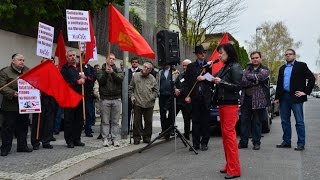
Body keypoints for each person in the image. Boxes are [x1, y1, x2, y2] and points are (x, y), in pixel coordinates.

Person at [275, 49, 315, 151]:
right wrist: (277, 98)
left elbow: (311, 78)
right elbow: (279, 84)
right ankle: (286, 142)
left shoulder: (301, 66)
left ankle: (301, 143)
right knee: (284, 121)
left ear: (294, 55)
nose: (288, 56)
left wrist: (305, 92)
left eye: (290, 54)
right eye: (286, 54)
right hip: (284, 97)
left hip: (296, 97)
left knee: (299, 121)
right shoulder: (282, 68)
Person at [212, 43, 242, 179]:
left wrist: (221, 82)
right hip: (223, 104)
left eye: (221, 53)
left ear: (229, 53)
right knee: (225, 138)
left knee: (229, 137)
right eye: (219, 53)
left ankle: (235, 169)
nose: (219, 55)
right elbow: (214, 78)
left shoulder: (235, 67)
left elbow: (237, 87)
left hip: (230, 105)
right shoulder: (225, 67)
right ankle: (229, 165)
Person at [0, 53, 32, 156]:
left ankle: (22, 146)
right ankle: (5, 148)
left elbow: (33, 82)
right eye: (19, 60)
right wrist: (13, 93)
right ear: (13, 61)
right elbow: (2, 87)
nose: (22, 62)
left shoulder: (28, 71)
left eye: (23, 60)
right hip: (10, 105)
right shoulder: (5, 72)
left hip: (25, 104)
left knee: (23, 126)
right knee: (8, 127)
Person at [238, 51, 270, 150]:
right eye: (253, 58)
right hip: (246, 99)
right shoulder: (247, 69)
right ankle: (243, 142)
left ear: (260, 58)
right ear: (250, 59)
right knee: (244, 121)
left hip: (258, 100)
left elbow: (261, 77)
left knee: (257, 122)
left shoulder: (265, 69)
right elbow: (242, 81)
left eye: (256, 57)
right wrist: (254, 80)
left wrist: (250, 77)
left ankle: (256, 143)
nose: (255, 59)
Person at [184, 45, 212, 151]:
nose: (203, 54)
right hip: (194, 97)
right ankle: (195, 143)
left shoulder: (208, 65)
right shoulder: (191, 66)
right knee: (195, 122)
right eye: (200, 53)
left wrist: (203, 77)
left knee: (205, 122)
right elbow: (187, 83)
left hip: (205, 98)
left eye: (204, 53)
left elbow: (211, 79)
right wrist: (187, 95)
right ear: (196, 54)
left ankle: (204, 143)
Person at [129, 62, 159, 145]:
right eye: (144, 67)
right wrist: (132, 97)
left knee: (148, 121)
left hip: (149, 104)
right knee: (137, 122)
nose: (145, 69)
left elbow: (156, 91)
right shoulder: (136, 76)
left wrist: (152, 97)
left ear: (150, 70)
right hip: (138, 102)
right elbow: (131, 88)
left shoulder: (152, 78)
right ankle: (136, 137)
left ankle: (147, 137)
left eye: (148, 68)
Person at [97, 53, 124, 147]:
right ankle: (105, 138)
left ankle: (115, 138)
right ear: (106, 59)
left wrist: (112, 72)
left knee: (115, 121)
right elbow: (101, 81)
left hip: (116, 98)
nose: (112, 60)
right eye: (110, 58)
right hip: (105, 99)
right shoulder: (101, 70)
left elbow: (120, 79)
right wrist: (106, 73)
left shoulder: (118, 70)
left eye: (113, 59)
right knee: (105, 120)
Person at [60, 50, 86, 148]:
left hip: (80, 97)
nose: (72, 57)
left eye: (74, 55)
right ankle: (69, 140)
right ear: (67, 58)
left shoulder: (80, 67)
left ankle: (77, 139)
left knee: (79, 119)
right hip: (69, 98)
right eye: (70, 56)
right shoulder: (64, 69)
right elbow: (65, 83)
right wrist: (77, 82)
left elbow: (89, 79)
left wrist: (85, 78)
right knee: (69, 120)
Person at [31, 58, 58, 150]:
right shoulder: (36, 72)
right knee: (38, 122)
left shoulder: (56, 74)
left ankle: (46, 141)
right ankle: (35, 141)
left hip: (51, 101)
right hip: (39, 100)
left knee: (49, 122)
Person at [158, 64, 178, 139]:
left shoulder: (175, 72)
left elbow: (176, 83)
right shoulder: (160, 72)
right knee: (162, 114)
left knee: (171, 114)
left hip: (171, 96)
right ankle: (164, 130)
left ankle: (170, 130)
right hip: (162, 95)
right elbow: (158, 83)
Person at [174, 59, 192, 140]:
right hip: (178, 101)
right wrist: (175, 89)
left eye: (186, 66)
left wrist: (180, 91)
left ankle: (186, 136)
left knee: (187, 119)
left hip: (186, 101)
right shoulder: (180, 75)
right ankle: (170, 132)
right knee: (171, 116)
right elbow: (175, 83)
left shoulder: (192, 75)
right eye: (183, 65)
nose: (184, 67)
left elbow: (189, 87)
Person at [127, 57, 142, 134]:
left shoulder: (141, 72)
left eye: (136, 62)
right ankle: (127, 128)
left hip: (138, 96)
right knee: (128, 113)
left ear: (138, 63)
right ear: (131, 63)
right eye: (133, 62)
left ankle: (138, 129)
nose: (134, 63)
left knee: (138, 114)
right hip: (128, 95)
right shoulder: (127, 71)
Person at [83, 62, 97, 137]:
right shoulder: (78, 66)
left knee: (89, 112)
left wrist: (86, 77)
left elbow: (94, 77)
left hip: (88, 94)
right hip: (79, 93)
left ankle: (88, 129)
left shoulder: (91, 68)